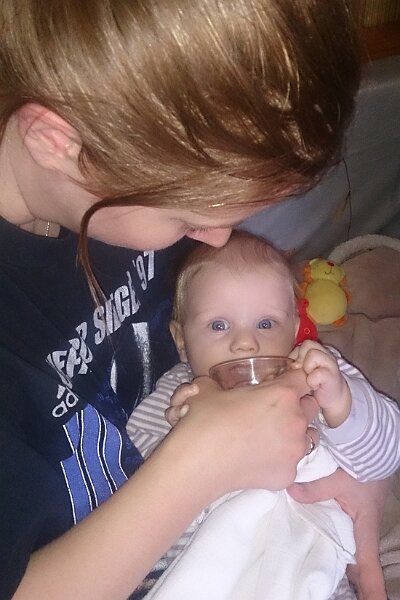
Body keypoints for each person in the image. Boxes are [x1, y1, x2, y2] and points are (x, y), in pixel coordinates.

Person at [0, 1, 382, 599]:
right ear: (58, 143)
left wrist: (347, 465)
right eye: (189, 219)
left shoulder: (130, 193)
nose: (217, 241)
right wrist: (199, 465)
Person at [127, 231, 400, 600]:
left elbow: (385, 457)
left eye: (266, 324)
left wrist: (343, 404)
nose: (246, 343)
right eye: (219, 325)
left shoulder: (316, 376)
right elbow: (138, 503)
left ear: (294, 328)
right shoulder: (174, 400)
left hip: (316, 573)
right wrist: (185, 438)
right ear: (182, 341)